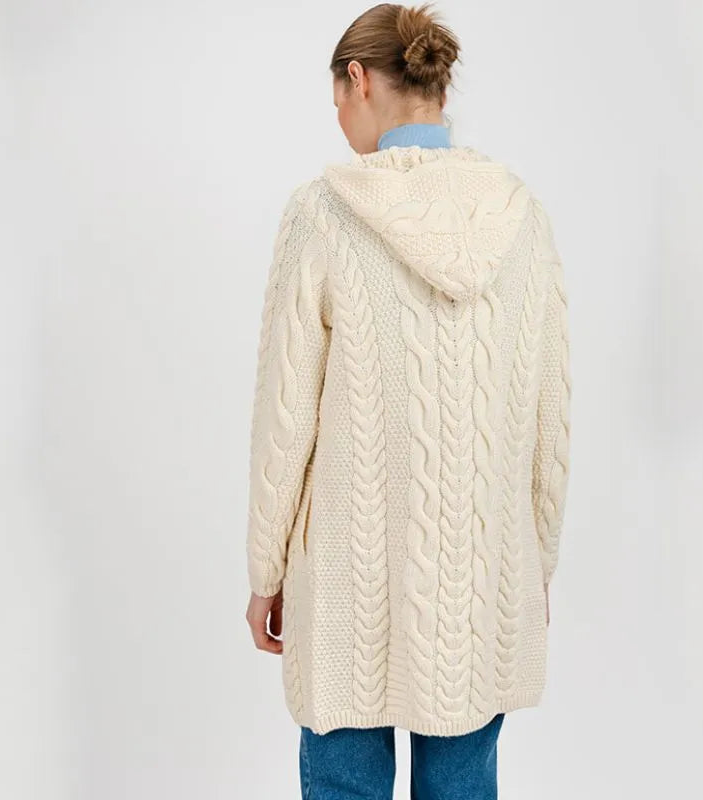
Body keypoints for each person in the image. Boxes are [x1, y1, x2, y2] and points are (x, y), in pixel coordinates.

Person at [244, 3, 571, 798]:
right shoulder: (521, 218)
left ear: (359, 80)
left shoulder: (323, 214)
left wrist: (266, 570)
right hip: (483, 578)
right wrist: (537, 563)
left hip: (344, 583)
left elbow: (285, 419)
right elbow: (548, 416)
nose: (340, 124)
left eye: (337, 102)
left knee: (343, 785)